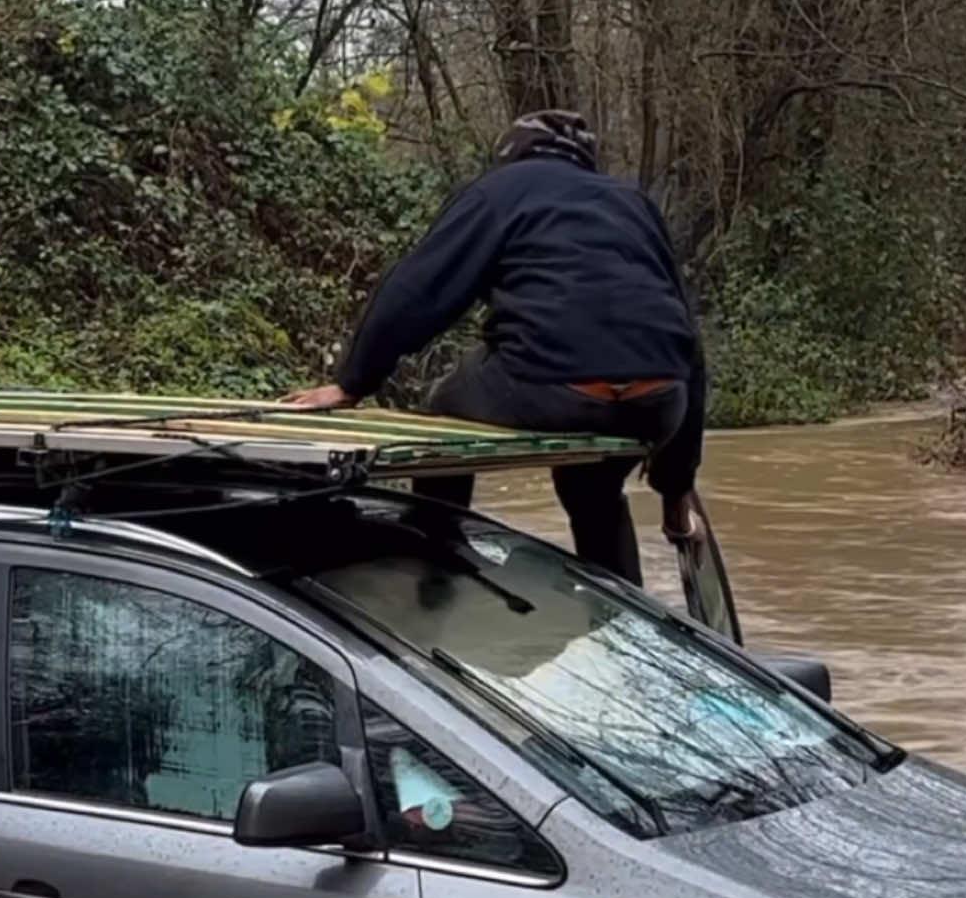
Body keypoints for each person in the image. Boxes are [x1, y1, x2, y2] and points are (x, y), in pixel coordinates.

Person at [282, 110, 705, 585]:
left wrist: (351, 383)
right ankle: (624, 616)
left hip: (555, 390)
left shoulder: (501, 190)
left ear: (511, 156)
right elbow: (689, 341)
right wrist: (677, 487)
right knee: (594, 489)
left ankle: (435, 567)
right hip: (660, 399)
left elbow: (417, 291)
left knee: (441, 411)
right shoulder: (634, 205)